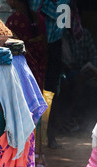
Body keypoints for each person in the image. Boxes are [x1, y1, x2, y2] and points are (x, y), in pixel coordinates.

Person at [5, 0, 48, 167]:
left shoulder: (13, 20)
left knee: (19, 113)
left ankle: (20, 154)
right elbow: (45, 47)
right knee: (35, 112)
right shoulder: (40, 19)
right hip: (36, 73)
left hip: (18, 74)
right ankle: (37, 154)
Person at [29, 0, 70, 149]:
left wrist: (44, 6)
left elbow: (63, 21)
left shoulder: (64, 1)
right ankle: (32, 136)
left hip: (53, 47)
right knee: (33, 89)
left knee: (51, 92)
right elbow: (32, 14)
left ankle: (49, 135)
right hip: (35, 45)